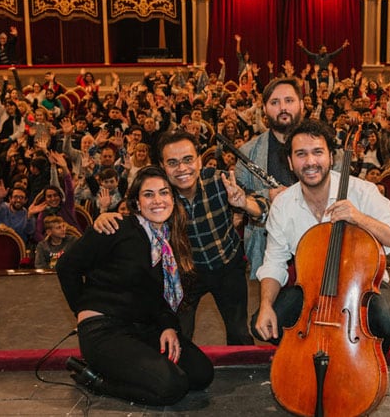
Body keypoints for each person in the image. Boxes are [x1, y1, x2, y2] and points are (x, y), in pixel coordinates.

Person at [251, 119, 390, 351]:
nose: (310, 162)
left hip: (361, 288)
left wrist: (359, 218)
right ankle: (310, 351)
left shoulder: (363, 191)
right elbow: (274, 262)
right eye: (301, 154)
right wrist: (266, 304)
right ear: (290, 162)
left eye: (318, 152)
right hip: (311, 291)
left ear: (331, 157)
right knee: (264, 322)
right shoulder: (283, 204)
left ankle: (363, 354)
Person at [56, 166, 213, 406]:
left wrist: (168, 327)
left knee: (201, 373)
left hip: (141, 328)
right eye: (148, 194)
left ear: (173, 198)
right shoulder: (116, 226)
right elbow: (66, 266)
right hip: (104, 331)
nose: (157, 200)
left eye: (164, 193)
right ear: (137, 203)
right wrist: (83, 312)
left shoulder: (169, 243)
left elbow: (156, 297)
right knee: (172, 386)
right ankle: (96, 380)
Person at [95, 131, 267, 345]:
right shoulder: (159, 196)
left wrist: (244, 204)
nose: (182, 169)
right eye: (173, 162)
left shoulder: (220, 180)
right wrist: (105, 215)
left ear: (199, 160)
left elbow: (263, 206)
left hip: (227, 266)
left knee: (239, 334)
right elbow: (135, 218)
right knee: (178, 336)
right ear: (162, 165)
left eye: (188, 160)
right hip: (185, 274)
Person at [237, 78, 302, 279]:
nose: (283, 107)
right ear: (264, 109)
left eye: (289, 100)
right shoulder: (248, 151)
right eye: (275, 102)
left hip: (314, 244)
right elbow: (238, 198)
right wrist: (269, 195)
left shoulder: (323, 146)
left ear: (301, 104)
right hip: (267, 247)